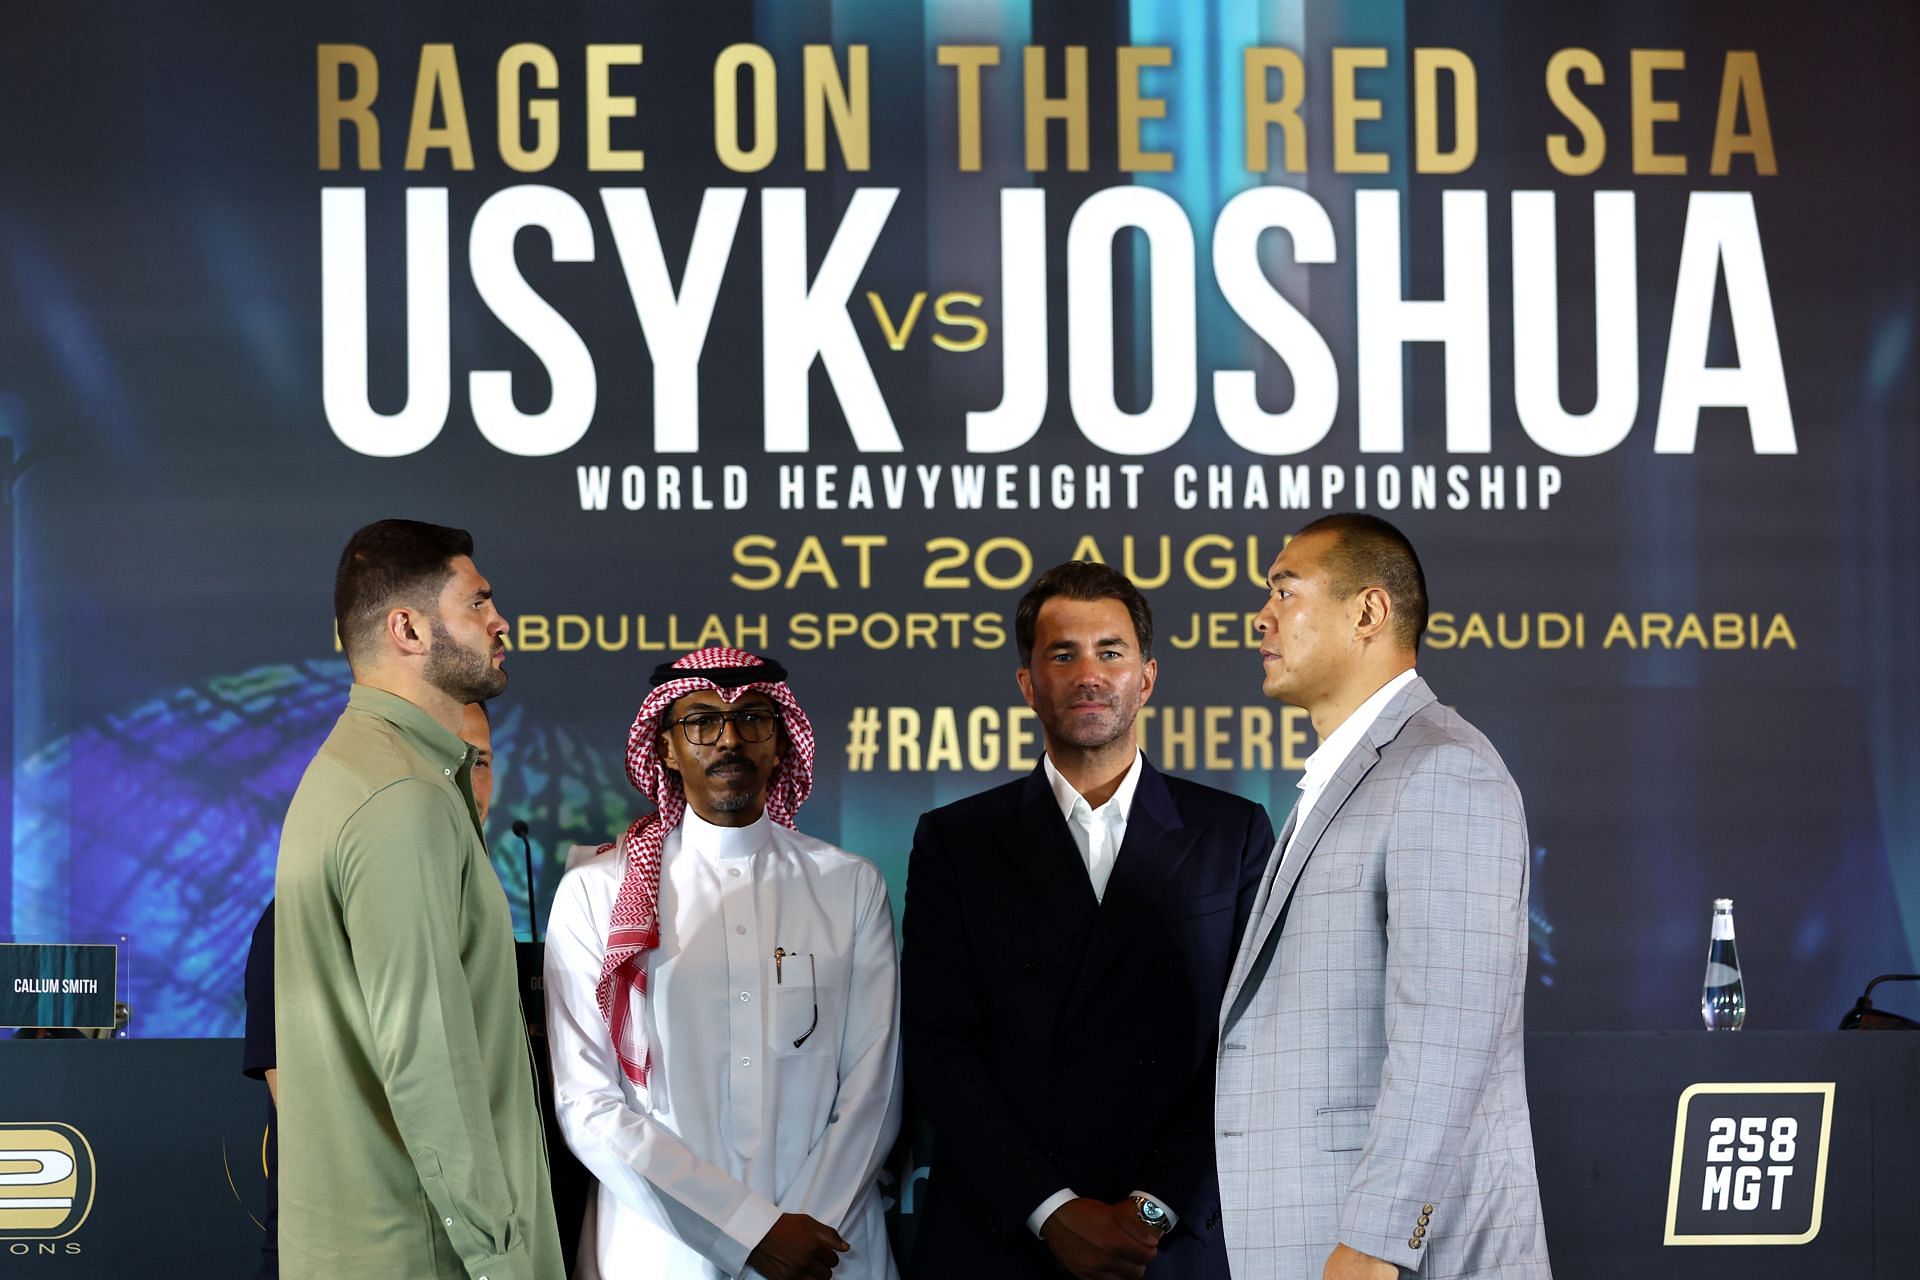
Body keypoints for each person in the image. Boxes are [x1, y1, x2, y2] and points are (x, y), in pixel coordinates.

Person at [902, 561, 1276, 1280]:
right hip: (1004, 1232)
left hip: (1169, 1243)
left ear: (1148, 677)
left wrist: (1151, 1209)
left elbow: (1252, 1045)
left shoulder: (1232, 834)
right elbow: (938, 1044)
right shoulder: (955, 840)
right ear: (1027, 683)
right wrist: (1053, 1210)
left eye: (1111, 651)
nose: (1088, 674)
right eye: (1062, 654)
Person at [1215, 514, 1551, 1280]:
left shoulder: (1442, 771)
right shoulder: (1352, 777)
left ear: (1368, 613)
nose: (1261, 617)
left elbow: (1448, 1038)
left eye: (1284, 591)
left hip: (1388, 1257)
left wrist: (1377, 1241)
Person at [543, 647, 902, 1280]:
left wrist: (797, 1237)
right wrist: (750, 1234)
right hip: (657, 1249)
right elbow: (589, 1104)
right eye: (702, 721)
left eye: (753, 719)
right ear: (665, 749)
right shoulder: (598, 893)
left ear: (778, 743)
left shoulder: (849, 886)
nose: (729, 738)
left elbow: (873, 1092)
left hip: (828, 1244)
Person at [274, 520, 563, 1280]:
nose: (500, 622)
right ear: (408, 628)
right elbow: (427, 1061)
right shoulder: (402, 795)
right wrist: (502, 1260)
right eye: (478, 603)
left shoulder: (362, 769)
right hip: (432, 1256)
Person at [243, 698, 497, 1280]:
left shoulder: (486, 922)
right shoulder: (298, 920)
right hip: (354, 1253)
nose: (461, 782)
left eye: (477, 761)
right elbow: (316, 1116)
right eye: (442, 761)